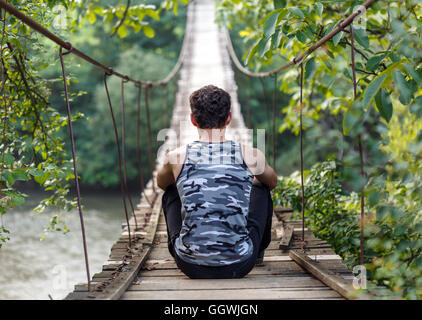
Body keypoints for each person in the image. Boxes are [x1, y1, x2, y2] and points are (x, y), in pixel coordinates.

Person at [156, 85, 277, 279]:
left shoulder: (175, 156)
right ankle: (257, 252)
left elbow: (162, 184)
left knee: (170, 190)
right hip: (240, 263)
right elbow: (272, 182)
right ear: (229, 118)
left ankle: (188, 245)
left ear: (193, 120)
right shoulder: (251, 155)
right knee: (261, 187)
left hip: (189, 265)